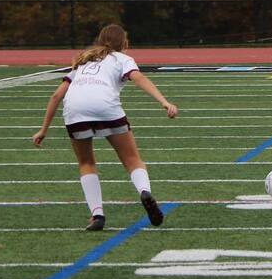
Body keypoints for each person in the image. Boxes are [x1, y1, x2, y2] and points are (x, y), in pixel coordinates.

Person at [32, 24, 178, 231]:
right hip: (106, 107)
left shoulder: (83, 60)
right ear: (125, 44)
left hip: (75, 110)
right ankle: (144, 191)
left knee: (86, 162)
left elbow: (56, 95)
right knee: (132, 160)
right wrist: (164, 102)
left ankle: (97, 215)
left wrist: (43, 129)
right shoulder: (122, 59)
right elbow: (139, 78)